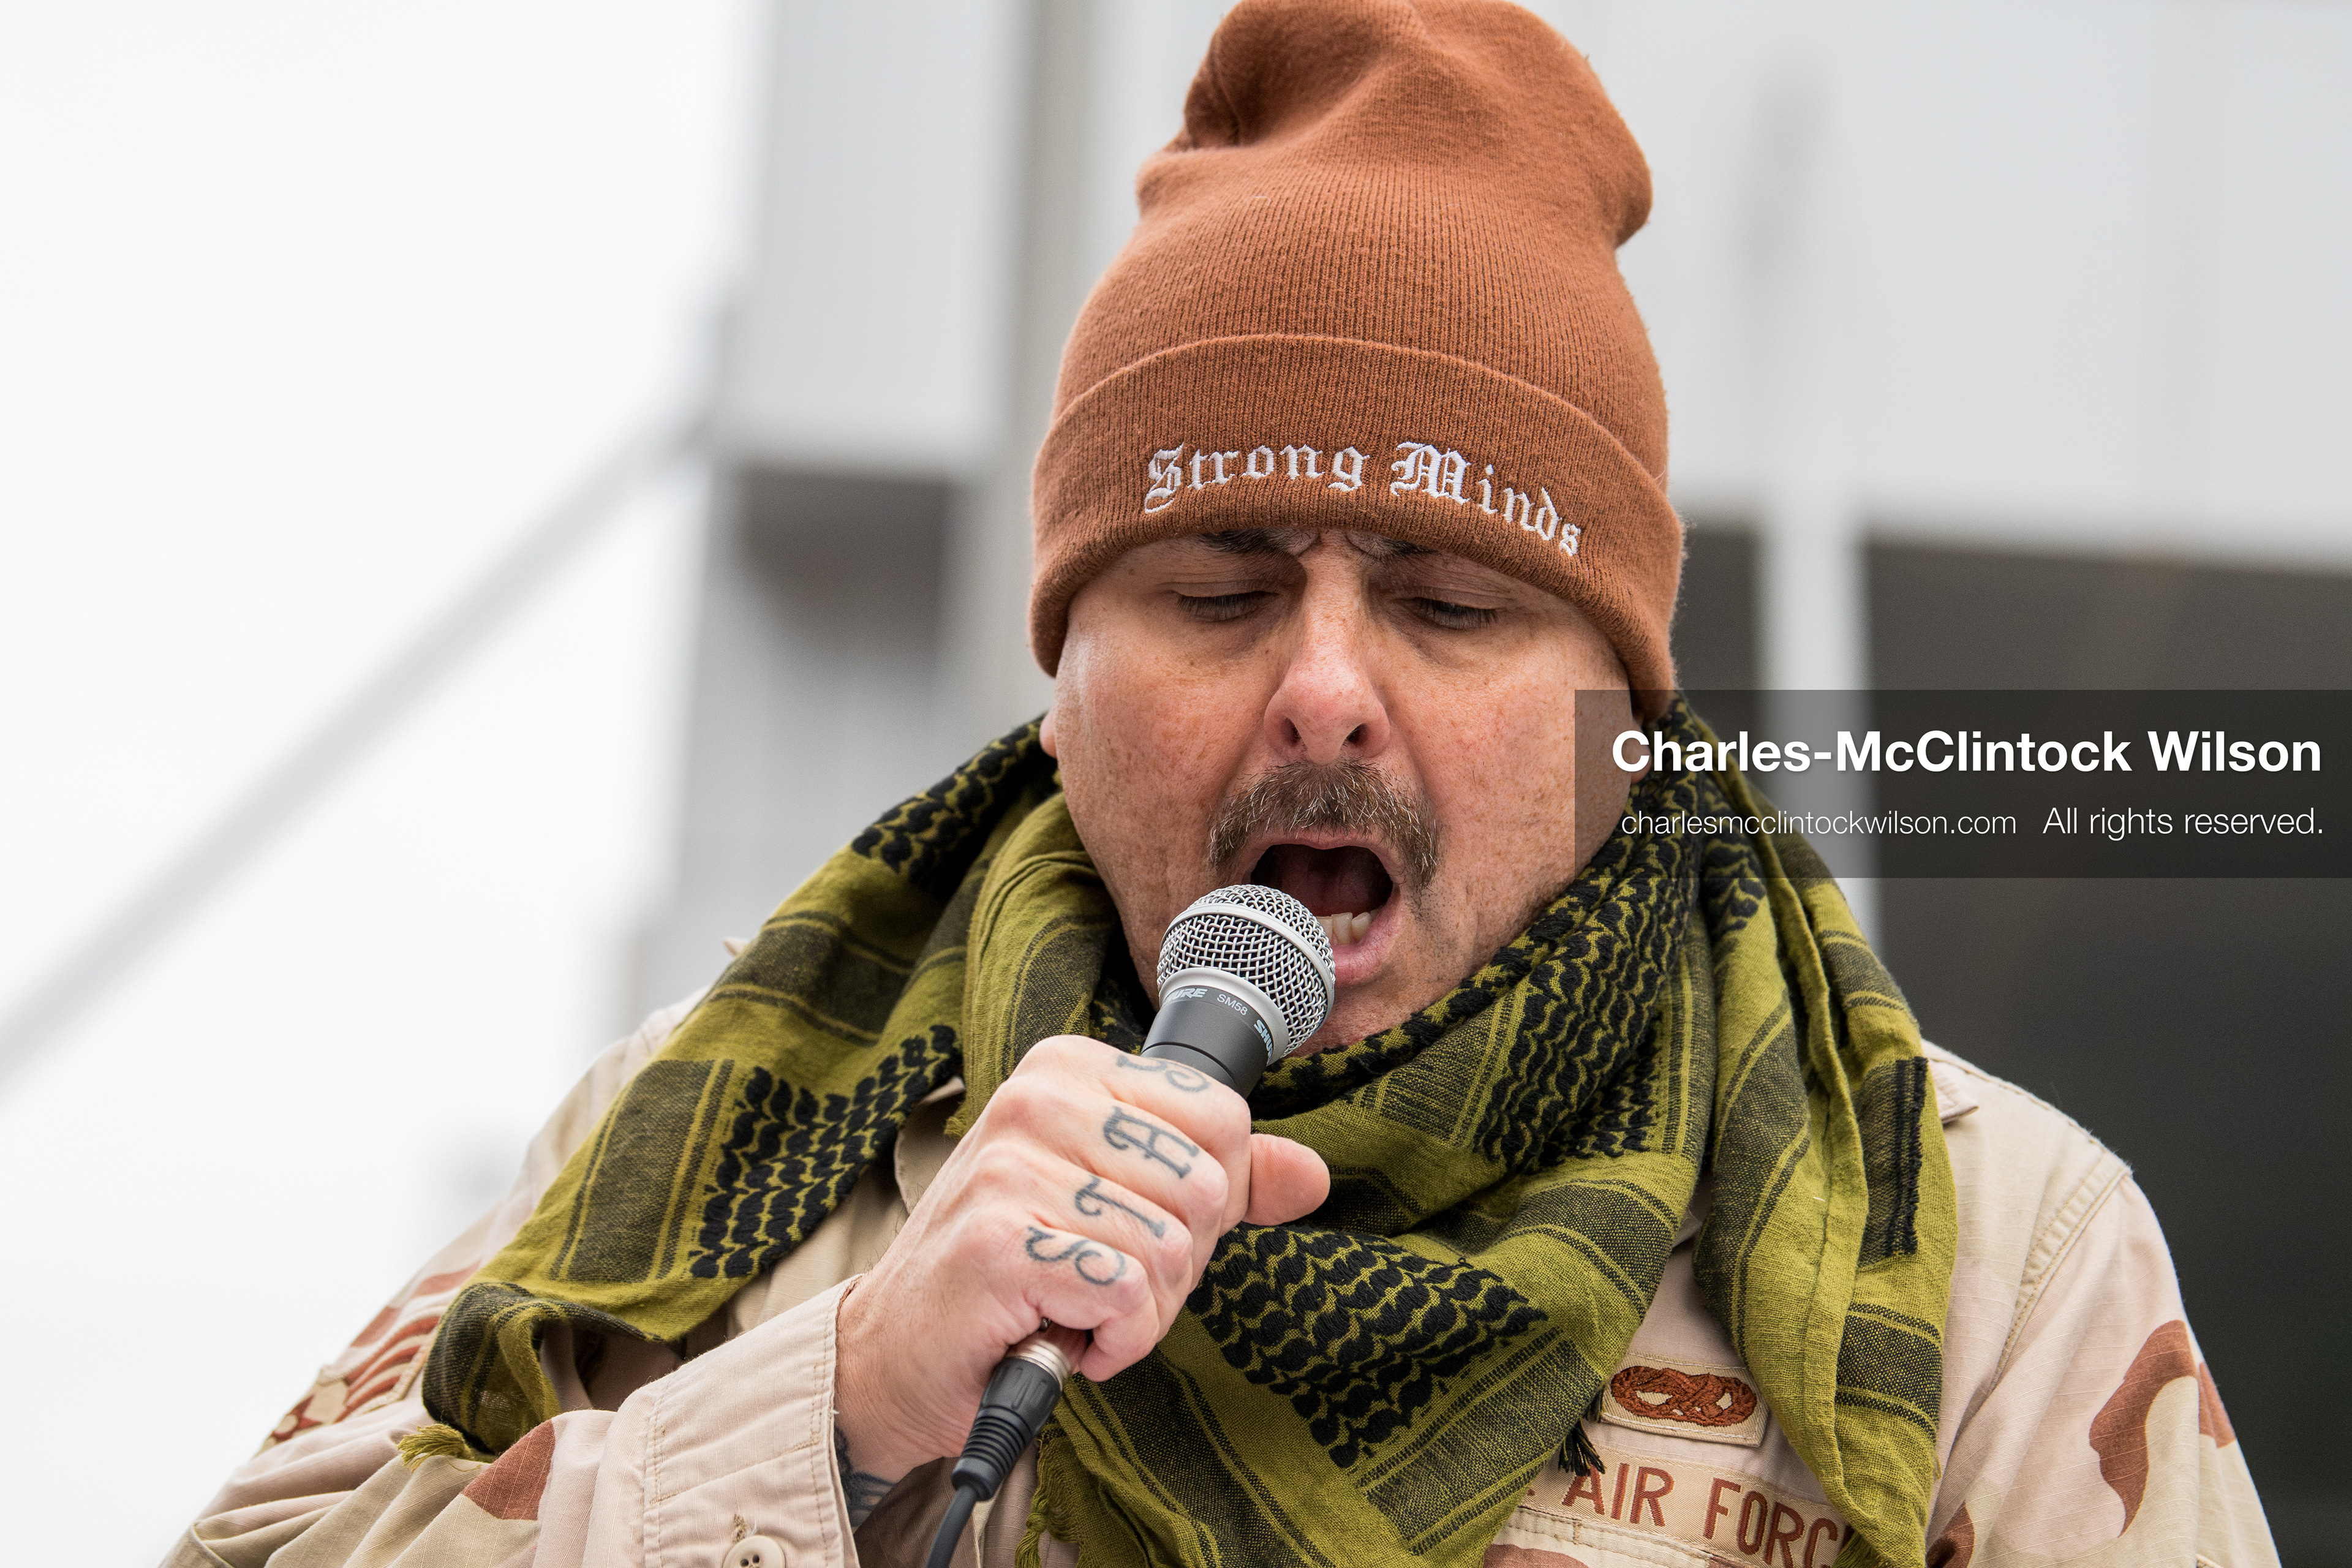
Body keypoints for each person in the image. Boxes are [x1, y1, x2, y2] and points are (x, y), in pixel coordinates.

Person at [167, 4, 2277, 1566]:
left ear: (1617, 714)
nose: (1328, 693)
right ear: (1062, 677)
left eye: (1453, 607)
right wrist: (837, 1403)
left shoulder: (1991, 1240)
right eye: (1217, 586)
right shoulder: (723, 1138)